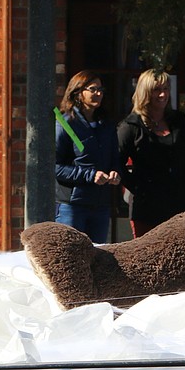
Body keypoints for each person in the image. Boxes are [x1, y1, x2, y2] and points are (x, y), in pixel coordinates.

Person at [117, 68, 185, 237]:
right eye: (157, 90)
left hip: (180, 205)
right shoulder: (131, 126)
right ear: (145, 92)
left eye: (165, 89)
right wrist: (139, 186)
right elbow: (116, 162)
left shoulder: (178, 121)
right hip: (147, 208)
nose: (162, 95)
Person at [53, 70, 122, 243]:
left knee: (98, 258)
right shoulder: (65, 123)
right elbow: (55, 166)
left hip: (101, 205)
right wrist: (90, 175)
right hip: (72, 206)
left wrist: (115, 172)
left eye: (101, 89)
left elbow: (115, 159)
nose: (99, 93)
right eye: (93, 89)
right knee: (70, 257)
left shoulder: (106, 125)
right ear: (78, 93)